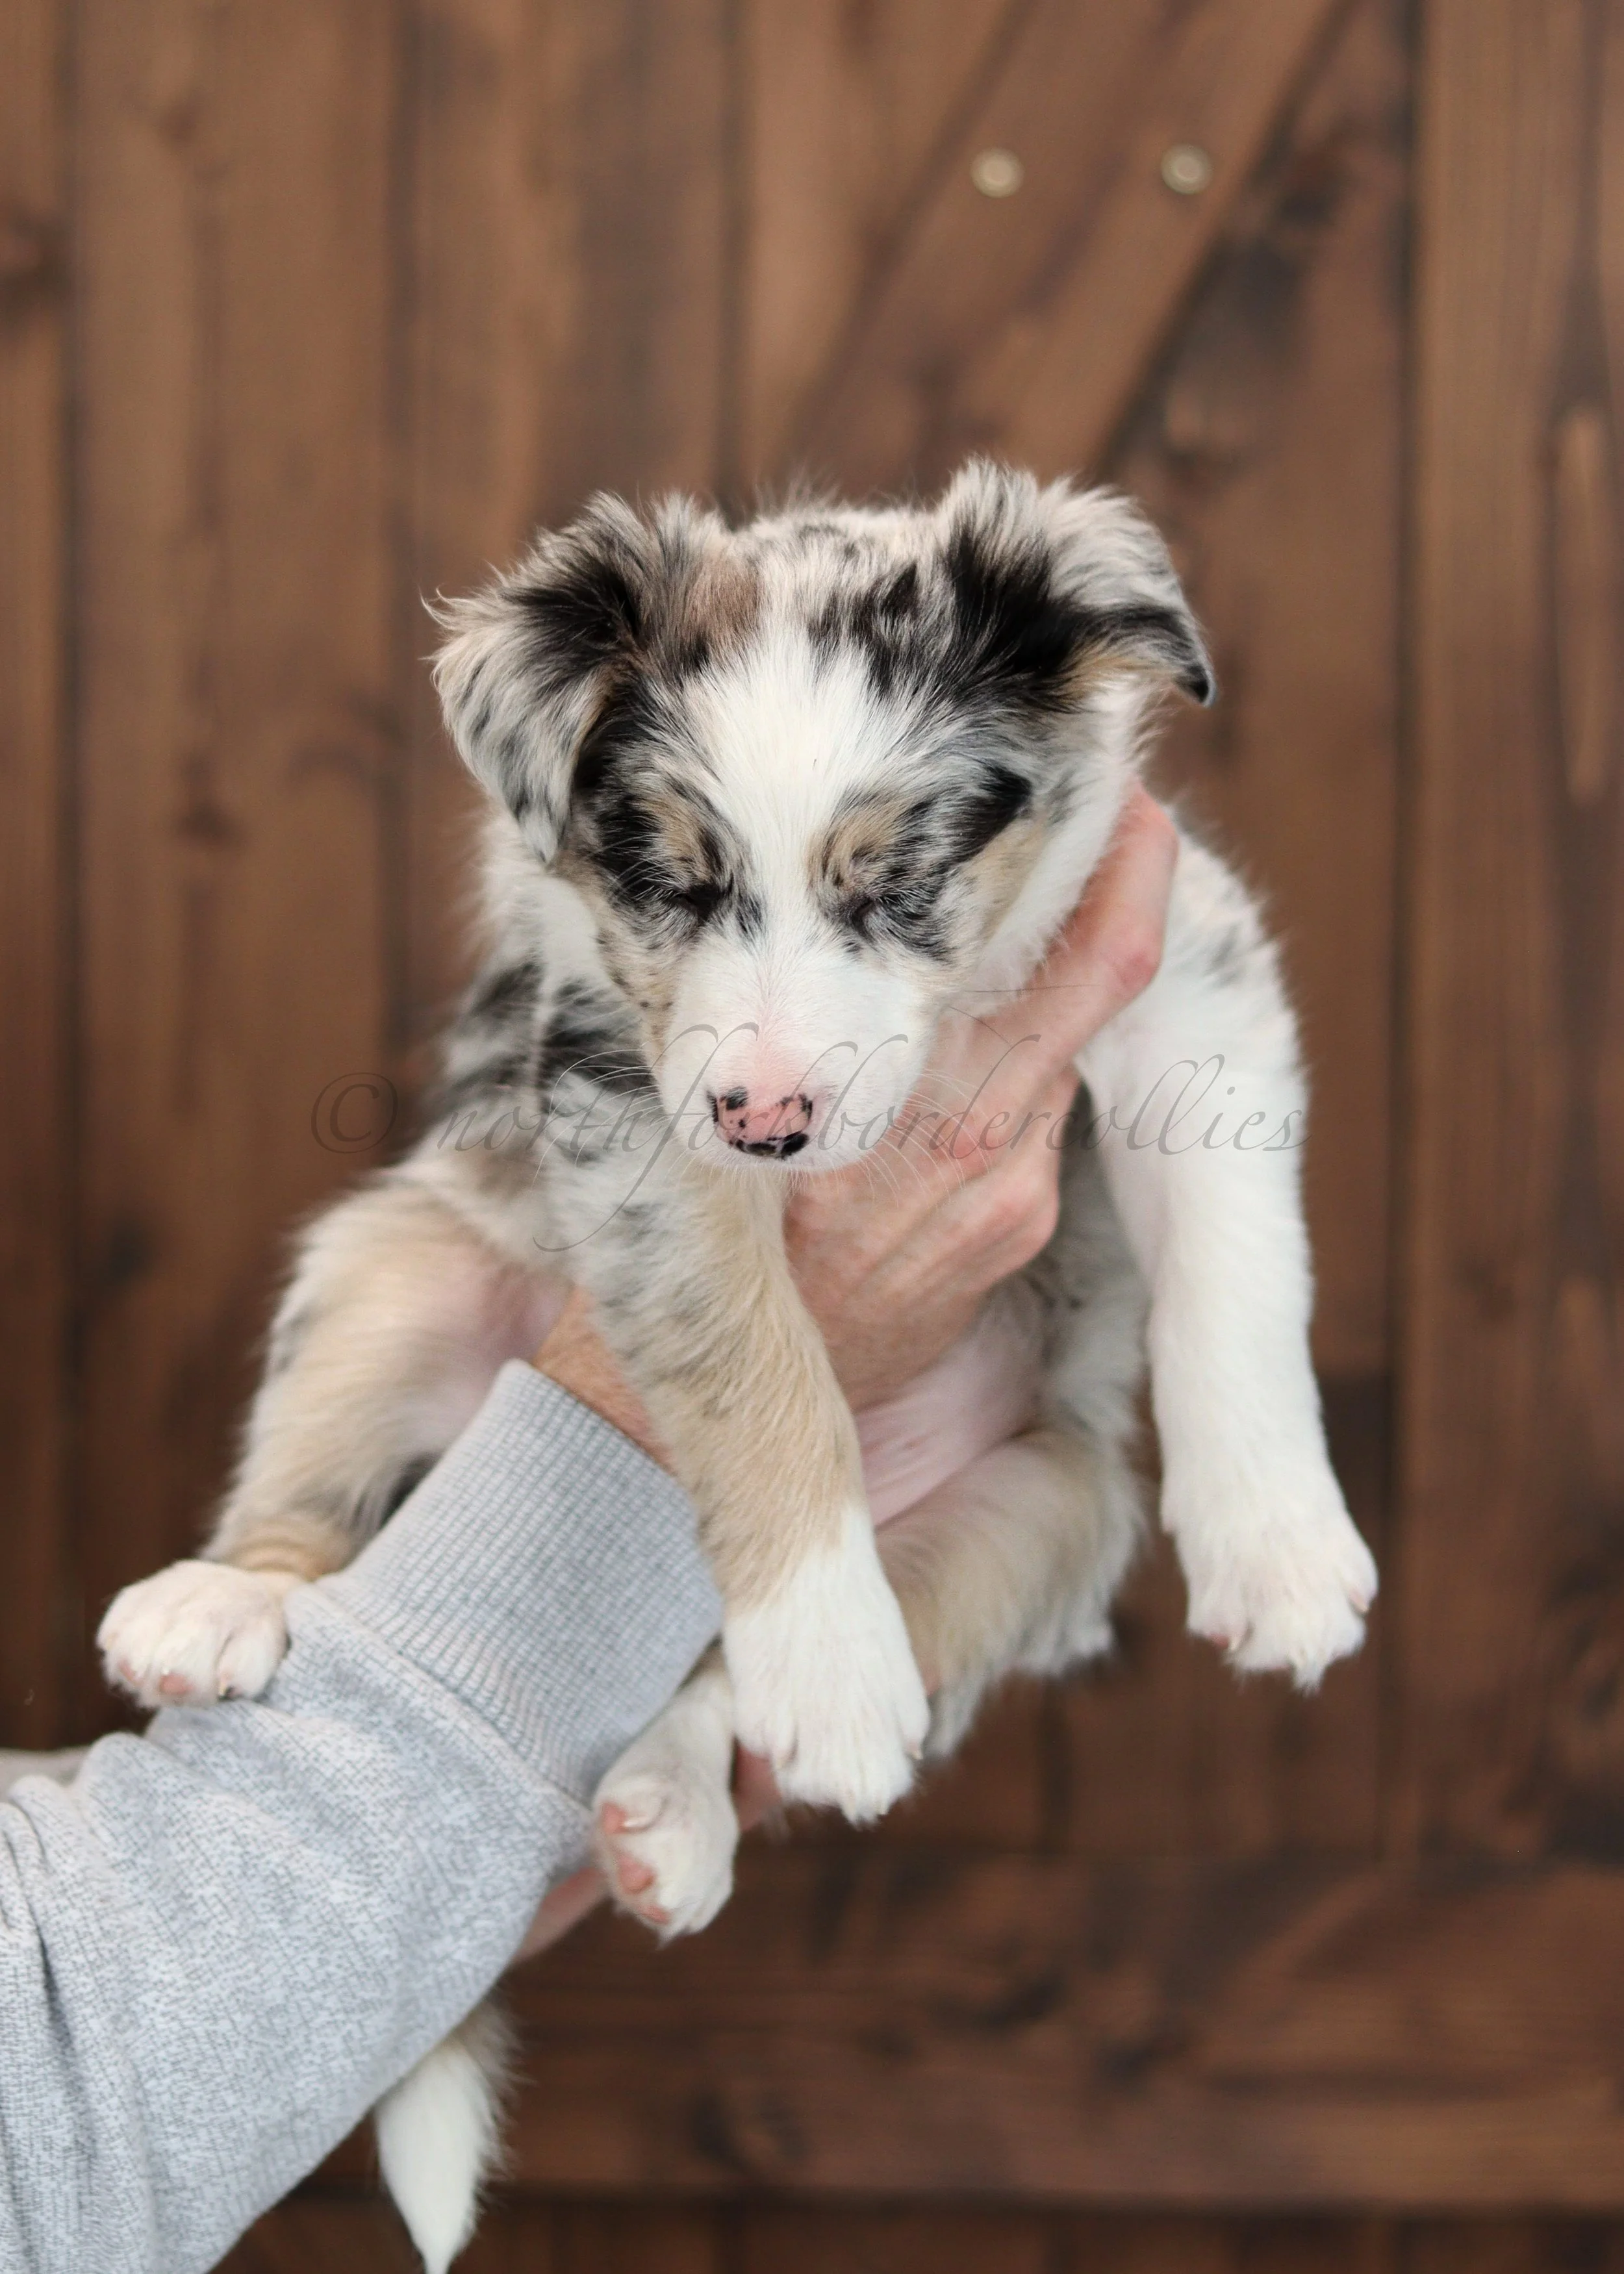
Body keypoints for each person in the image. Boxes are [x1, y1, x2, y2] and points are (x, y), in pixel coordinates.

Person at [0, 795, 1177, 2274]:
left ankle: (699, 1721)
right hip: (556, 1285)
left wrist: (422, 1873)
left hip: (964, 1419)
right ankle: (281, 1560)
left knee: (1064, 1509)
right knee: (395, 1269)